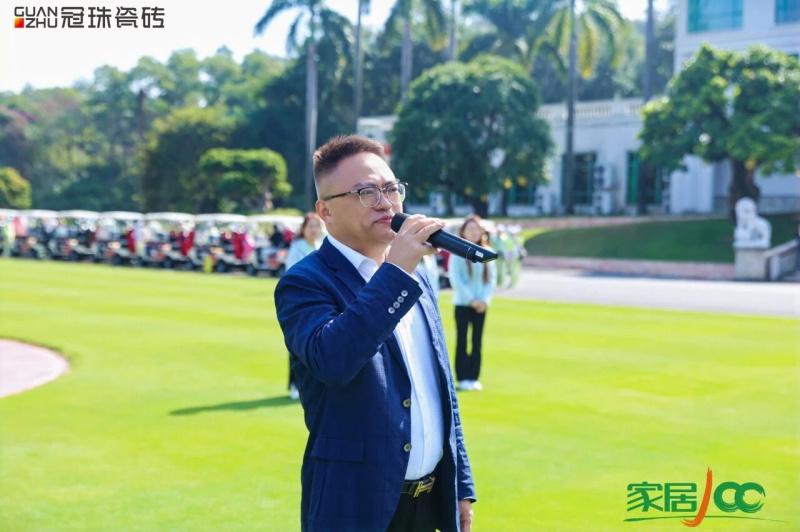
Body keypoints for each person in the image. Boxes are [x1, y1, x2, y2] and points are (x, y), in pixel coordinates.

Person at [274, 135, 475, 532]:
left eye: (391, 188)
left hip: (430, 503)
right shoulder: (305, 282)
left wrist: (461, 485)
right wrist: (395, 272)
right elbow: (333, 360)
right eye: (366, 192)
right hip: (355, 507)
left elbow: (439, 386)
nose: (386, 203)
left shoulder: (416, 275)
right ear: (325, 211)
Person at [449, 215, 496, 391]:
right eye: (469, 229)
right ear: (463, 232)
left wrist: (484, 300)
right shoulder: (458, 253)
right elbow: (456, 279)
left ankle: (474, 377)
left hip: (481, 305)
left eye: (476, 229)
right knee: (462, 340)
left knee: (477, 341)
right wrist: (471, 300)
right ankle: (462, 377)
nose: (473, 232)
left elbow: (491, 280)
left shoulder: (487, 252)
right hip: (463, 304)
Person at [283, 212, 325, 400]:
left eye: (317, 225)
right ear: (304, 229)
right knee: (298, 344)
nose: (314, 229)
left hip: (322, 299)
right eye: (311, 226)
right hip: (302, 300)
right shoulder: (297, 247)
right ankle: (294, 383)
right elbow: (291, 273)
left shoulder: (322, 245)